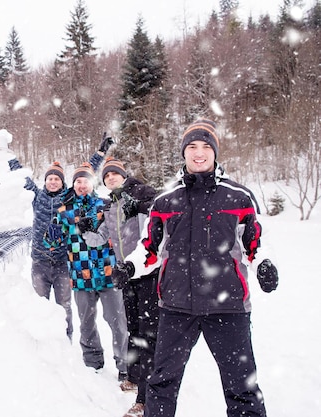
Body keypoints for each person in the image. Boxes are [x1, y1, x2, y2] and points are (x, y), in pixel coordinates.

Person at [113, 119, 279, 417]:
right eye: (192, 147)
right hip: (176, 307)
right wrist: (129, 267)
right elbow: (149, 248)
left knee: (242, 387)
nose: (198, 153)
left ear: (215, 152)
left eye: (205, 147)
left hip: (228, 307)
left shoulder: (238, 197)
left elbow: (253, 245)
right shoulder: (166, 201)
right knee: (161, 384)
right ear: (183, 153)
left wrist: (264, 265)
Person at [8, 135, 112, 340]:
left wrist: (100, 154)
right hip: (39, 261)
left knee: (64, 307)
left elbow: (85, 173)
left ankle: (65, 342)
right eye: (50, 178)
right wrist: (6, 154)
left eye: (57, 178)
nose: (53, 181)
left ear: (62, 182)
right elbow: (20, 175)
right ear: (45, 181)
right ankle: (41, 343)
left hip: (64, 262)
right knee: (39, 305)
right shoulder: (37, 197)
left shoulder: (69, 198)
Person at [83, 157, 159, 410]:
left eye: (114, 174)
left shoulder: (140, 192)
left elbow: (157, 217)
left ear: (123, 175)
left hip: (147, 271)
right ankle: (136, 378)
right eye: (106, 177)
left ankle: (151, 386)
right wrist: (86, 229)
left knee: (149, 329)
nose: (110, 178)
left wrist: (140, 207)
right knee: (133, 327)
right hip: (125, 275)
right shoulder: (111, 205)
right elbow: (98, 239)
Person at [44, 162, 128, 380]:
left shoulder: (106, 205)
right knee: (87, 323)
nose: (82, 185)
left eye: (85, 181)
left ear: (93, 184)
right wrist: (56, 222)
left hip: (109, 274)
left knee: (117, 323)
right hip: (81, 276)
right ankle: (93, 364)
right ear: (73, 185)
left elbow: (123, 232)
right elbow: (50, 242)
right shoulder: (65, 211)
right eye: (77, 181)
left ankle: (124, 366)